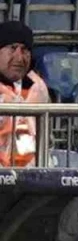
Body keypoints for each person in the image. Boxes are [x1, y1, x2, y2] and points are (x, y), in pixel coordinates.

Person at [0, 22, 48, 169]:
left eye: (25, 49)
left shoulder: (38, 88)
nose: (19, 58)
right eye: (12, 48)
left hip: (31, 175)